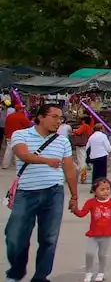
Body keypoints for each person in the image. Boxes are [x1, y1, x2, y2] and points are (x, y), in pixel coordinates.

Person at [5, 103, 77, 282]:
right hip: (26, 193)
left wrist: (74, 196)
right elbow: (23, 155)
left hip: (54, 193)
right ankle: (16, 272)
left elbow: (69, 170)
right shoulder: (20, 135)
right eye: (54, 117)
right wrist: (47, 161)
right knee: (15, 237)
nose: (58, 121)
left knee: (49, 239)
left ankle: (40, 277)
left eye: (60, 118)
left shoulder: (62, 140)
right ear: (40, 117)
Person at [71, 177, 111, 282]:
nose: (106, 191)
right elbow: (82, 213)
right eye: (102, 189)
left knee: (102, 254)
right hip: (93, 234)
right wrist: (75, 210)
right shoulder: (90, 202)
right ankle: (88, 273)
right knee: (89, 253)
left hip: (106, 234)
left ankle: (101, 273)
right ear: (94, 191)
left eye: (108, 189)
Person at [1, 103, 31, 169]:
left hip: (9, 136)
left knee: (8, 151)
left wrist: (6, 134)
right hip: (18, 136)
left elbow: (6, 126)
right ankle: (18, 166)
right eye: (22, 108)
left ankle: (5, 165)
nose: (23, 109)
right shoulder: (22, 117)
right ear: (19, 109)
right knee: (18, 151)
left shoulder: (9, 116)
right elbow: (29, 125)